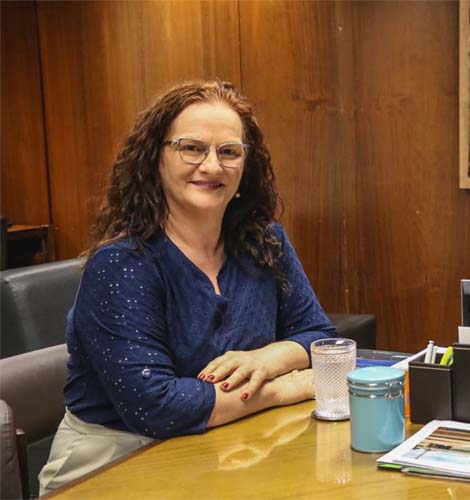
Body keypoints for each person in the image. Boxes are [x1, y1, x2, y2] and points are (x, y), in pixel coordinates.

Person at [39, 80, 335, 494]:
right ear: (155, 158)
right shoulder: (123, 263)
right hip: (115, 462)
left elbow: (320, 337)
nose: (212, 167)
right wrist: (282, 388)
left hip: (227, 443)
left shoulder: (264, 242)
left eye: (229, 152)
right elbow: (155, 406)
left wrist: (269, 359)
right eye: (192, 148)